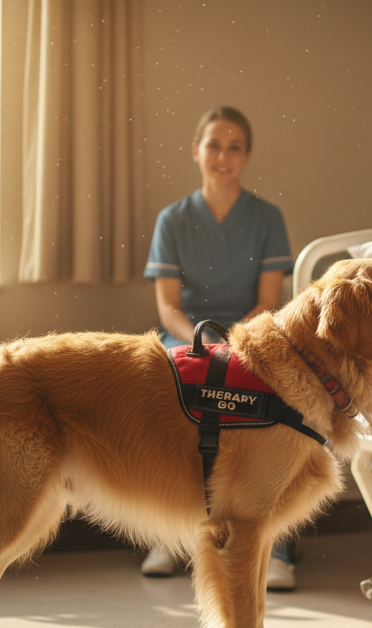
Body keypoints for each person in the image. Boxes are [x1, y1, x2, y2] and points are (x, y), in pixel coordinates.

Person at [140, 106, 298, 589]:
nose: (222, 156)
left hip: (251, 333)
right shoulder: (173, 220)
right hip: (188, 332)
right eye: (213, 145)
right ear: (196, 151)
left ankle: (277, 549)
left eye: (234, 147)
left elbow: (269, 301)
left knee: (271, 416)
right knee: (166, 395)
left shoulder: (267, 217)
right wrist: (200, 339)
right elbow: (167, 308)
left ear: (246, 156)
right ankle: (169, 537)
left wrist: (234, 342)